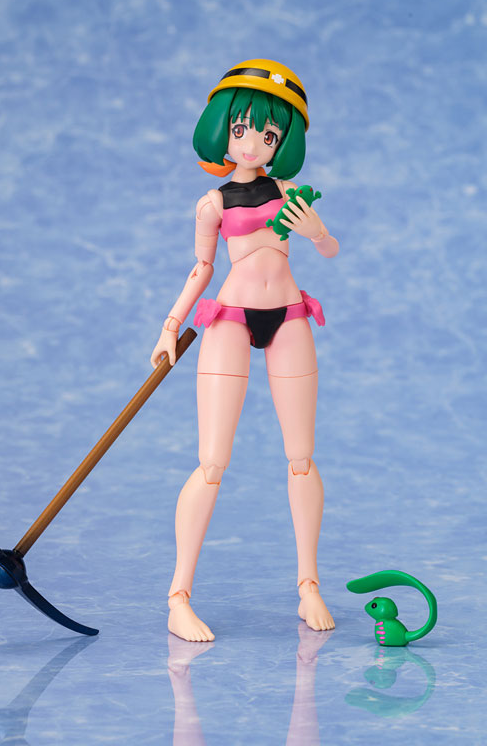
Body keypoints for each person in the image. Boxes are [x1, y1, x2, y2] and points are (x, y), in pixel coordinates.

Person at [151, 59, 339, 642]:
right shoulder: (212, 204)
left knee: (301, 456)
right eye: (240, 130)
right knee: (212, 462)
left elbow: (330, 249)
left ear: (284, 142)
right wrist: (170, 325)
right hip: (231, 317)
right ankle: (178, 597)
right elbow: (202, 268)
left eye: (268, 134)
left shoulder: (291, 193)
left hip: (289, 315)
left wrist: (315, 232)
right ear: (222, 131)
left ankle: (309, 585)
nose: (252, 143)